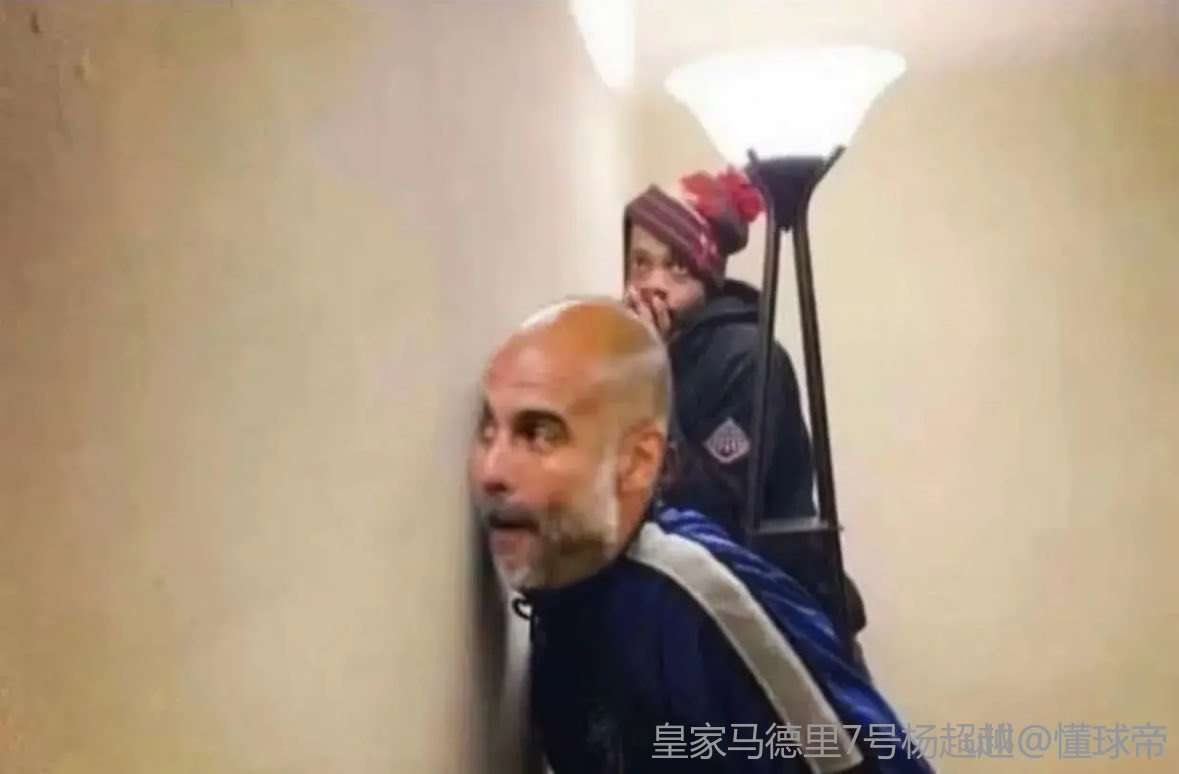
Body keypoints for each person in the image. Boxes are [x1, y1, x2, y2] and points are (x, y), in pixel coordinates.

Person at [469, 298, 933, 773]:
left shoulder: (704, 604)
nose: (492, 471)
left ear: (637, 462)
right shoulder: (565, 595)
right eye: (487, 430)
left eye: (540, 433)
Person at [622, 168, 868, 640]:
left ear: (708, 273)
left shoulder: (750, 360)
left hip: (779, 620)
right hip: (696, 609)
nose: (653, 284)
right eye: (639, 263)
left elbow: (709, 508)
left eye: (677, 267)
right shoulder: (639, 353)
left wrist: (650, 377)